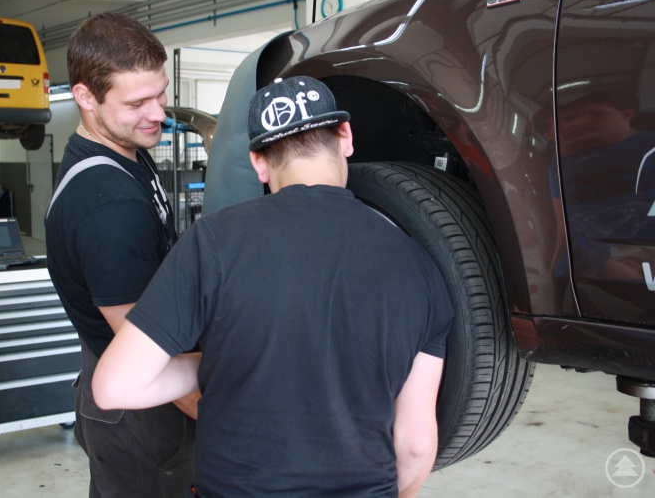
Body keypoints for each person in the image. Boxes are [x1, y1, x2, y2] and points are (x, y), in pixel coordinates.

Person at [92, 76, 453, 497]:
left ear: (258, 163)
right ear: (346, 136)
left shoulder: (214, 243)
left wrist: (213, 364)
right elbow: (414, 447)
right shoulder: (418, 265)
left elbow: (113, 386)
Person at [44, 13, 197, 498]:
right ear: (85, 96)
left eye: (161, 93)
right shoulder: (110, 208)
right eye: (137, 102)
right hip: (144, 413)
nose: (158, 113)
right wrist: (226, 415)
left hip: (119, 382)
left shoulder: (123, 148)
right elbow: (146, 356)